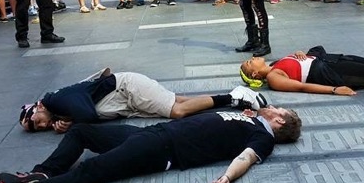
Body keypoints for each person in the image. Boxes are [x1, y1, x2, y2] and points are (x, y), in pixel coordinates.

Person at [0, 105, 302, 183]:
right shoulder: (250, 118)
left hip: (163, 150)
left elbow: (246, 157)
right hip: (155, 133)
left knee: (92, 171)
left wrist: (228, 178)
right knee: (83, 132)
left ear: (279, 124)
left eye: (279, 112)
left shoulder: (264, 138)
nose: (273, 108)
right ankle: (41, 175)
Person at [19, 67, 269, 133]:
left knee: (177, 111)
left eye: (35, 121)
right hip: (127, 97)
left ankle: (234, 96)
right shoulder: (57, 107)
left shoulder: (57, 101)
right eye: (35, 129)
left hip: (127, 89)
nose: (39, 125)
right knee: (181, 103)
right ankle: (232, 99)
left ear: (38, 107)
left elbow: (87, 115)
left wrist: (66, 124)